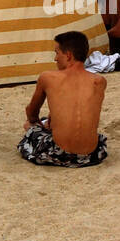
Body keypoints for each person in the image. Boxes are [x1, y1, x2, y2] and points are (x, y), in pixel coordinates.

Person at [18, 32, 107, 166]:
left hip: (59, 154)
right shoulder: (99, 81)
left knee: (30, 125)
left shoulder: (48, 77)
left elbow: (31, 114)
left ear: (68, 55)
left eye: (57, 53)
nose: (55, 58)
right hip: (91, 155)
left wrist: (38, 125)